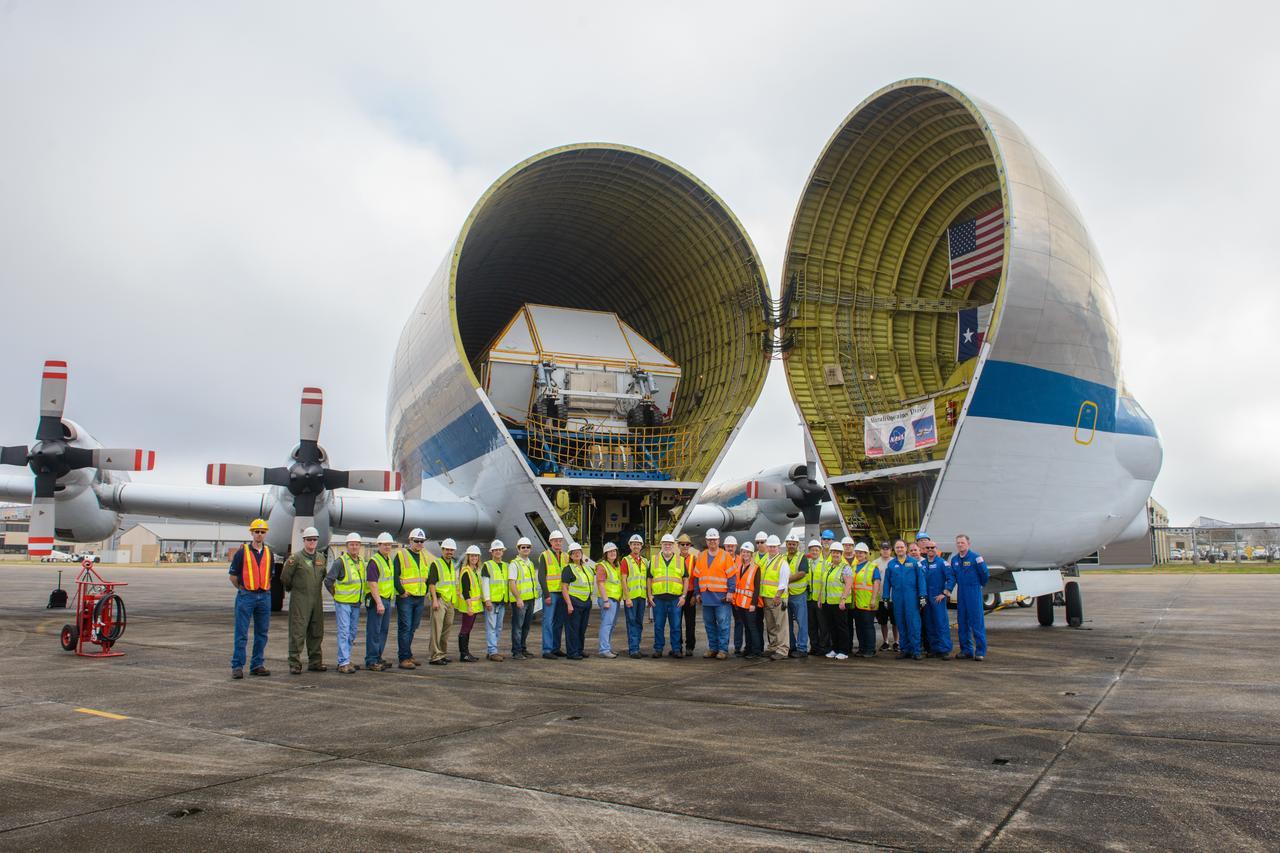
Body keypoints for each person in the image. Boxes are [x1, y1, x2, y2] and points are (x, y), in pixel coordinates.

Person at [229, 518, 274, 679]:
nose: (259, 534)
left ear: (266, 534)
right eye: (257, 532)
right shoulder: (242, 552)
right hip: (246, 595)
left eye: (262, 532)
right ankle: (237, 666)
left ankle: (257, 664)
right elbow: (233, 576)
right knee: (241, 632)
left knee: (262, 632)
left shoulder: (269, 552)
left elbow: (270, 575)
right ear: (252, 533)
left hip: (264, 596)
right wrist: (243, 589)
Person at [281, 525, 327, 675]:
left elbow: (323, 576)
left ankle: (315, 661)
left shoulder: (321, 558)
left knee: (316, 630)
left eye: (314, 539)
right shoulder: (295, 558)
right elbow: (285, 578)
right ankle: (294, 662)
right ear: (304, 541)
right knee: (298, 631)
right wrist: (294, 589)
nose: (312, 542)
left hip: (316, 599)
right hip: (300, 599)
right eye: (309, 540)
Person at [691, 528, 737, 659]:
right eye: (710, 539)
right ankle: (713, 648)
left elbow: (732, 576)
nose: (712, 542)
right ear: (706, 541)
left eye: (714, 539)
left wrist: (730, 592)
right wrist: (697, 593)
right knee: (709, 624)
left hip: (722, 597)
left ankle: (723, 650)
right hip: (706, 597)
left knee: (723, 624)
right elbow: (696, 576)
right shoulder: (701, 556)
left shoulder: (725, 556)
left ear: (718, 540)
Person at [324, 532, 365, 674]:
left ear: (360, 546)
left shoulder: (360, 562)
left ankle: (346, 658)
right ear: (347, 546)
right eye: (352, 544)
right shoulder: (340, 562)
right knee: (344, 631)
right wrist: (335, 595)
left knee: (352, 633)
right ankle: (343, 662)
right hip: (343, 603)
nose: (354, 547)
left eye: (357, 544)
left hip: (355, 603)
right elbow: (328, 580)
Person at [946, 534, 990, 661]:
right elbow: (952, 576)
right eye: (958, 543)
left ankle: (980, 651)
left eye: (962, 543)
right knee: (962, 622)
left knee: (977, 622)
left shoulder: (976, 558)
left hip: (973, 591)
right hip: (961, 592)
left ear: (968, 544)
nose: (960, 545)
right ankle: (966, 650)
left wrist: (979, 585)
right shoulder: (954, 560)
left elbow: (985, 574)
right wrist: (948, 588)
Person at [393, 527, 430, 669]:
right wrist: (401, 591)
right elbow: (395, 575)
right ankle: (403, 658)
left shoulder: (424, 557)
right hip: (406, 598)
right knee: (405, 627)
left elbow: (425, 577)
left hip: (419, 598)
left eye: (422, 541)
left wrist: (425, 590)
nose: (420, 544)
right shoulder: (401, 555)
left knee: (413, 627)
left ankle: (407, 654)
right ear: (410, 541)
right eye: (417, 541)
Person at [884, 539, 926, 661]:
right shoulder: (891, 564)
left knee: (913, 624)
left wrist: (923, 595)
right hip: (897, 598)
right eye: (897, 547)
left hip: (911, 598)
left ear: (906, 548)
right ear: (894, 550)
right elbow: (887, 582)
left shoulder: (914, 563)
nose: (900, 549)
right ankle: (905, 650)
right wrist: (886, 597)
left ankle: (916, 651)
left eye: (901, 547)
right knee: (901, 624)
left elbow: (921, 580)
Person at [649, 533, 688, 657]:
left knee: (676, 626)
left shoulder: (680, 560)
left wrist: (683, 596)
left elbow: (686, 579)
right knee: (658, 626)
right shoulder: (654, 559)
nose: (667, 546)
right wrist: (649, 595)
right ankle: (658, 649)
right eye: (665, 544)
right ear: (661, 545)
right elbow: (649, 578)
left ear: (673, 546)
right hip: (658, 599)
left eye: (670, 544)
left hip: (675, 599)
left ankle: (676, 649)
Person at [917, 533, 953, 660]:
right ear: (924, 550)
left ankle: (944, 649)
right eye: (928, 548)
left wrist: (945, 593)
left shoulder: (942, 563)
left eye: (933, 548)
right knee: (929, 624)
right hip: (927, 599)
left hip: (938, 599)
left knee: (941, 624)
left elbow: (951, 578)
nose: (930, 550)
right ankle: (933, 649)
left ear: (936, 549)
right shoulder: (922, 564)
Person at [364, 532, 396, 671]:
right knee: (374, 631)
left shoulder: (388, 559)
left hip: (387, 599)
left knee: (383, 630)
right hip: (378, 601)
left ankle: (378, 657)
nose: (388, 547)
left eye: (389, 544)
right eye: (385, 544)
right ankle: (371, 660)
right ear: (379, 545)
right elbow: (372, 583)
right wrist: (379, 602)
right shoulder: (374, 561)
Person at [425, 537, 458, 665]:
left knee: (447, 628)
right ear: (442, 550)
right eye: (447, 549)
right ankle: (435, 655)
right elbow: (432, 584)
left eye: (451, 550)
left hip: (449, 601)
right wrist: (434, 601)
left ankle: (442, 653)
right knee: (436, 629)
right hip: (439, 600)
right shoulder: (436, 564)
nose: (449, 552)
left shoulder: (452, 565)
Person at [760, 535, 792, 660]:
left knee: (781, 624)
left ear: (778, 547)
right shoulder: (766, 561)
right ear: (767, 547)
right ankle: (773, 646)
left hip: (777, 598)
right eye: (770, 546)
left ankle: (783, 650)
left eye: (774, 546)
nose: (772, 549)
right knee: (771, 624)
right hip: (767, 597)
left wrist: (778, 596)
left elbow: (784, 581)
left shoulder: (782, 563)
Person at [820, 541, 853, 660]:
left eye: (838, 553)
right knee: (832, 627)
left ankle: (844, 650)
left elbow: (849, 584)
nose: (835, 555)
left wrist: (843, 600)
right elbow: (824, 584)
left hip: (839, 603)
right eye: (833, 552)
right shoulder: (829, 566)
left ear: (841, 554)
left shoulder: (845, 568)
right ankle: (835, 648)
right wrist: (820, 599)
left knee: (842, 627)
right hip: (828, 602)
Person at [507, 536, 539, 660]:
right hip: (520, 601)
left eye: (527, 547)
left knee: (526, 626)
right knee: (517, 626)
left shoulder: (530, 563)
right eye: (523, 547)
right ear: (518, 549)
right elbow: (512, 582)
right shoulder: (514, 564)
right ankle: (516, 651)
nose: (525, 549)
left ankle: (523, 648)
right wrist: (518, 598)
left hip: (530, 599)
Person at [730, 543, 764, 657]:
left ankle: (756, 650)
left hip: (750, 604)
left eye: (748, 552)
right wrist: (735, 601)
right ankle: (748, 649)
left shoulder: (756, 568)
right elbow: (738, 585)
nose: (745, 554)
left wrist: (753, 603)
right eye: (743, 552)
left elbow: (757, 587)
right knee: (747, 627)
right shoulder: (739, 567)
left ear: (751, 554)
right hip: (740, 603)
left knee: (752, 627)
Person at [561, 542, 593, 660]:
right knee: (573, 628)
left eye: (578, 552)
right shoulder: (568, 569)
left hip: (586, 602)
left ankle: (579, 649)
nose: (576, 554)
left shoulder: (587, 568)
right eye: (574, 553)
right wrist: (569, 604)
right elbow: (564, 587)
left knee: (582, 628)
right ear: (570, 555)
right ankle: (572, 652)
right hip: (574, 602)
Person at [539, 531, 569, 659]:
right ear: (550, 542)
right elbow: (541, 576)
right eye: (555, 540)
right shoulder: (545, 556)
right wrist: (546, 595)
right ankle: (547, 650)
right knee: (548, 622)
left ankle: (556, 648)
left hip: (562, 593)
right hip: (551, 593)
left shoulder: (566, 556)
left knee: (559, 622)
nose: (558, 543)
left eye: (560, 540)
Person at [849, 542, 881, 657]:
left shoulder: (872, 567)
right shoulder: (853, 567)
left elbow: (876, 583)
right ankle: (862, 648)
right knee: (859, 626)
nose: (859, 554)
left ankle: (870, 649)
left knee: (868, 626)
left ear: (866, 554)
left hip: (868, 602)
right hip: (856, 602)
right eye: (857, 552)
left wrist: (873, 599)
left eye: (861, 553)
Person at [621, 534, 649, 659]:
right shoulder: (625, 560)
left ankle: (636, 647)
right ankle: (633, 649)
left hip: (641, 597)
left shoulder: (645, 561)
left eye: (638, 544)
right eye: (634, 544)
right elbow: (623, 580)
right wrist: (627, 598)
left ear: (641, 546)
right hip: (631, 598)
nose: (636, 546)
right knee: (632, 622)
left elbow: (647, 580)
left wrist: (649, 596)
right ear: (630, 546)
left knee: (639, 623)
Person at [482, 539, 509, 661]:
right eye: (495, 550)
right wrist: (487, 600)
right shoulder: (487, 565)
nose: (498, 552)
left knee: (498, 627)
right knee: (491, 627)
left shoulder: (506, 566)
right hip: (492, 602)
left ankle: (493, 650)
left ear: (502, 552)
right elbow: (485, 583)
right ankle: (493, 651)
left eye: (499, 550)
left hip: (502, 602)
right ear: (491, 552)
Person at [595, 542, 623, 658]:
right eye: (610, 552)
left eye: (614, 551)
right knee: (607, 624)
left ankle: (607, 648)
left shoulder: (616, 566)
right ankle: (604, 649)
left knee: (611, 625)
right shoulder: (602, 566)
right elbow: (600, 584)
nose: (612, 553)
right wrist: (606, 601)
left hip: (615, 599)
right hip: (608, 599)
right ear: (605, 554)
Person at [783, 533, 809, 658]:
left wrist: (785, 580)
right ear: (786, 544)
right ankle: (791, 647)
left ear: (797, 545)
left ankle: (802, 648)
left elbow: (802, 573)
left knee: (802, 623)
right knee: (787, 624)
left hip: (798, 595)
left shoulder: (802, 557)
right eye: (789, 544)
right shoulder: (782, 557)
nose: (791, 546)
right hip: (786, 595)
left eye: (794, 544)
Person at [455, 545, 483, 662]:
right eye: (472, 556)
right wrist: (470, 607)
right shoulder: (466, 571)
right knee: (465, 629)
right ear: (468, 557)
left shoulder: (475, 571)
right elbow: (466, 591)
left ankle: (466, 652)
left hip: (474, 606)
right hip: (469, 606)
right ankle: (463, 654)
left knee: (468, 629)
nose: (474, 558)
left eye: (476, 556)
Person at [806, 539, 829, 657]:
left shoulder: (825, 563)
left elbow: (825, 583)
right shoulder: (807, 563)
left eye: (816, 550)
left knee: (823, 625)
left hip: (820, 600)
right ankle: (814, 647)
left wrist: (821, 598)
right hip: (809, 600)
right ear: (809, 551)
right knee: (812, 625)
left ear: (820, 551)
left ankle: (823, 647)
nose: (814, 552)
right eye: (812, 550)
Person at [874, 541, 898, 651]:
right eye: (883, 548)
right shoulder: (875, 563)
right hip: (881, 598)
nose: (885, 550)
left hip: (894, 597)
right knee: (883, 622)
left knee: (895, 622)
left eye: (887, 548)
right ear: (880, 550)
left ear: (891, 550)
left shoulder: (895, 562)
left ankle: (896, 642)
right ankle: (885, 641)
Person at [677, 534, 699, 653]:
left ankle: (690, 647)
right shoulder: (675, 559)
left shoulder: (694, 559)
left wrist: (695, 595)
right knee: (677, 622)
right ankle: (678, 646)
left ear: (690, 546)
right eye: (682, 544)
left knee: (690, 622)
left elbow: (697, 578)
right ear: (679, 546)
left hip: (690, 594)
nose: (685, 546)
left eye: (687, 544)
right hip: (678, 594)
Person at [723, 535, 744, 655]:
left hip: (737, 596)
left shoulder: (741, 560)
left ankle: (737, 647)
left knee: (739, 622)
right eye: (728, 546)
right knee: (724, 622)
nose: (730, 548)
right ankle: (723, 647)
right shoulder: (720, 559)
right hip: (724, 596)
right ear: (724, 546)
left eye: (732, 546)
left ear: (736, 547)